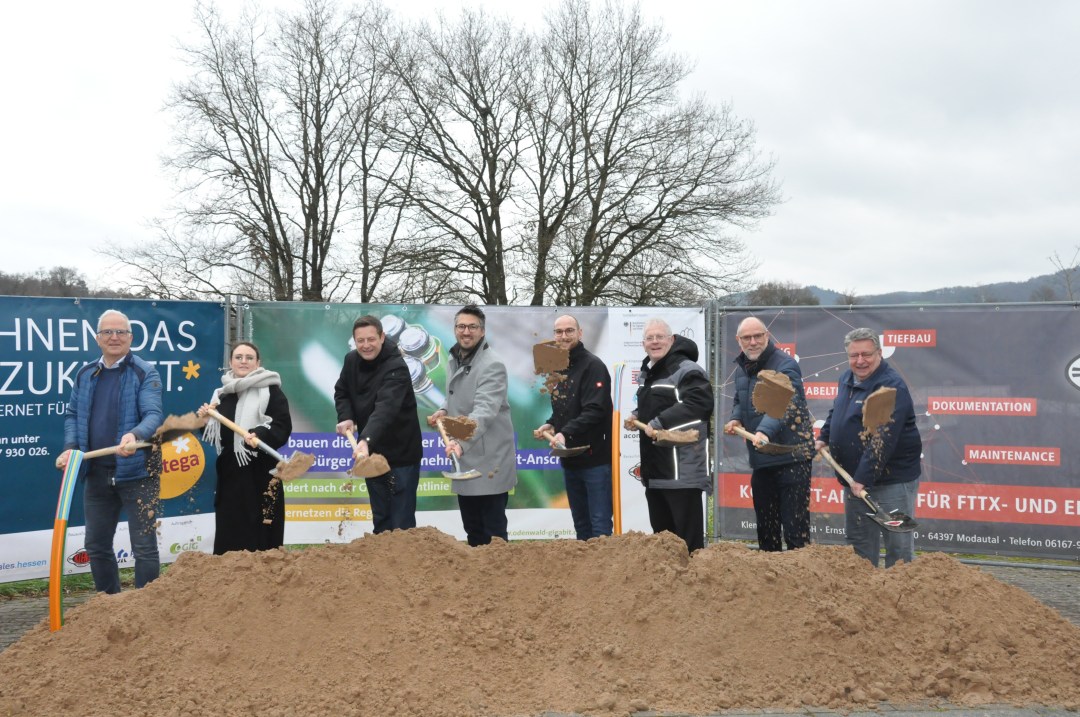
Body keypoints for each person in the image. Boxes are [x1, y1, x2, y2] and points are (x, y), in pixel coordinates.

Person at [57, 309, 164, 594]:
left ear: (130, 337)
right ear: (97, 338)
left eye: (121, 332)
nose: (114, 337)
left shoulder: (145, 371)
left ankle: (146, 611)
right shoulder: (85, 374)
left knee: (144, 546)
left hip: (138, 472)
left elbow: (153, 415)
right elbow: (72, 415)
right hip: (96, 473)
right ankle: (109, 607)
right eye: (108, 332)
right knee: (96, 545)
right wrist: (70, 448)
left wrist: (135, 434)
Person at [815, 327, 922, 568]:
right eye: (854, 355)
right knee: (859, 545)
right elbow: (837, 412)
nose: (860, 361)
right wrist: (824, 436)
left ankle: (898, 599)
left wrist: (862, 478)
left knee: (898, 546)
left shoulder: (890, 387)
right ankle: (863, 598)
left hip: (891, 481)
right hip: (855, 481)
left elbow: (882, 440)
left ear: (879, 354)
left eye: (866, 355)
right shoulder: (846, 378)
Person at [427, 305, 518, 546]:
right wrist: (445, 410)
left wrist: (460, 442)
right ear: (455, 329)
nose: (466, 331)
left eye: (472, 327)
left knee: (494, 534)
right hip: (465, 456)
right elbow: (456, 395)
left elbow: (484, 411)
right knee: (473, 529)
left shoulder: (492, 365)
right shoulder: (454, 357)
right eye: (461, 326)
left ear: (482, 331)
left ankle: (501, 581)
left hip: (488, 459)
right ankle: (478, 582)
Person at [724, 317, 814, 551]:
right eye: (747, 338)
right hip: (762, 460)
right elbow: (739, 399)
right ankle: (771, 582)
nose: (753, 342)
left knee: (796, 530)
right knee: (766, 529)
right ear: (738, 340)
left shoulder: (785, 365)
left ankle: (800, 582)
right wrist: (736, 417)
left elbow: (785, 403)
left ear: (767, 335)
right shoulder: (742, 368)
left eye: (758, 336)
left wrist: (764, 430)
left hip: (792, 458)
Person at [623, 318, 713, 552]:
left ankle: (693, 584)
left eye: (660, 337)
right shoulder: (649, 371)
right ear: (643, 344)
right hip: (655, 470)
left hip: (681, 471)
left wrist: (659, 422)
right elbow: (656, 404)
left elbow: (699, 404)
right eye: (650, 338)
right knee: (664, 541)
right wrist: (637, 416)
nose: (655, 342)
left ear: (671, 340)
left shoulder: (687, 370)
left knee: (688, 543)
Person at [198, 341, 292, 554]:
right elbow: (216, 436)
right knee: (230, 531)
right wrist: (203, 422)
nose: (243, 361)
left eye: (249, 357)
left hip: (262, 473)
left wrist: (260, 433)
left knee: (263, 532)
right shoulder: (222, 395)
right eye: (238, 357)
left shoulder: (271, 391)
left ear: (258, 362)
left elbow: (282, 425)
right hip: (231, 473)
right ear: (231, 362)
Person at [334, 315, 423, 533]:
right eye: (360, 341)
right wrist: (346, 416)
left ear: (382, 337)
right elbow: (342, 391)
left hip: (401, 454)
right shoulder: (351, 360)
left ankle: (405, 564)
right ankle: (382, 564)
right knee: (381, 516)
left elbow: (386, 408)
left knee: (401, 521)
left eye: (371, 339)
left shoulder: (396, 366)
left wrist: (365, 440)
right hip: (373, 454)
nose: (366, 345)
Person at [532, 314, 613, 540]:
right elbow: (566, 409)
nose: (564, 336)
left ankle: (605, 573)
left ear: (580, 333)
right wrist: (551, 423)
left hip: (595, 459)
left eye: (569, 330)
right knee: (581, 525)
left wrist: (564, 432)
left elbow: (595, 409)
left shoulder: (593, 366)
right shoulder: (558, 367)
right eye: (559, 332)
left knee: (599, 525)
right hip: (571, 460)